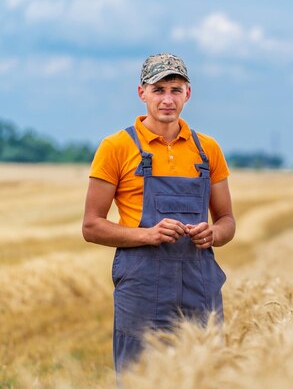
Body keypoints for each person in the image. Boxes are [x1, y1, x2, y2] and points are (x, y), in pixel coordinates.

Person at [82, 53, 236, 375]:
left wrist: (214, 234)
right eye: (158, 89)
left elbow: (227, 222)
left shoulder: (208, 150)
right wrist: (148, 235)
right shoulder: (116, 147)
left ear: (187, 94)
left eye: (175, 89)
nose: (167, 99)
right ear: (142, 93)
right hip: (142, 283)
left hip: (200, 284)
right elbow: (91, 226)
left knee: (207, 376)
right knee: (138, 376)